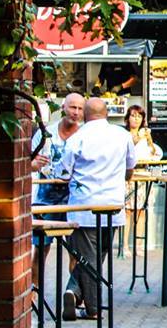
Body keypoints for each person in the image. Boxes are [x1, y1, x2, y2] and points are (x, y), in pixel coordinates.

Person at [54, 98, 136, 321]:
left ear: (85, 115)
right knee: (97, 257)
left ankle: (82, 299)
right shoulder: (122, 135)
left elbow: (62, 173)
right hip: (113, 206)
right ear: (106, 113)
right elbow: (130, 167)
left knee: (87, 259)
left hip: (84, 206)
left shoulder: (77, 138)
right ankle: (90, 305)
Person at [31, 93, 84, 291]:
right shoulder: (46, 133)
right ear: (63, 107)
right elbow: (28, 162)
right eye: (72, 107)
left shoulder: (84, 135)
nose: (76, 112)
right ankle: (33, 293)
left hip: (75, 199)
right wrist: (34, 164)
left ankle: (75, 293)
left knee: (76, 251)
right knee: (41, 248)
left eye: (80, 108)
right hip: (47, 198)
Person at [122, 105, 161, 258]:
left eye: (139, 116)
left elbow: (154, 153)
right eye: (133, 115)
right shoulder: (123, 135)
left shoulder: (145, 135)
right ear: (127, 118)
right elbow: (129, 148)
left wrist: (149, 138)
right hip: (128, 175)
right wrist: (140, 137)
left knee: (141, 211)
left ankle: (138, 244)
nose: (136, 119)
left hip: (143, 174)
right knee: (126, 211)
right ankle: (124, 245)